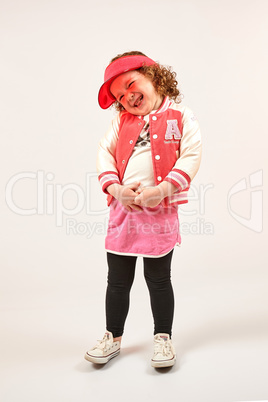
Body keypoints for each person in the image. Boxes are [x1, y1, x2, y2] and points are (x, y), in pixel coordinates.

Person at [84, 51, 202, 368]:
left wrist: (163, 190)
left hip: (160, 213)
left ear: (153, 75)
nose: (127, 97)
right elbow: (104, 155)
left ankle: (163, 337)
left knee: (159, 279)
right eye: (119, 96)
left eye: (130, 84)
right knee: (118, 280)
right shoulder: (120, 123)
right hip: (124, 211)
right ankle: (113, 337)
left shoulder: (181, 118)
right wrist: (116, 189)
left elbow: (191, 156)